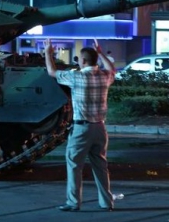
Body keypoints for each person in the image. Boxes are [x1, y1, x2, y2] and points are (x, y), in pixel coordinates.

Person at [44, 38, 115, 212]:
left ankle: (73, 202)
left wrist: (48, 52)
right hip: (100, 128)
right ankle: (106, 203)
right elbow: (112, 69)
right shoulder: (105, 77)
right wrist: (101, 53)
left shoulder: (76, 77)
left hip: (82, 129)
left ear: (83, 61)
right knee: (101, 166)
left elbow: (52, 72)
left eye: (79, 59)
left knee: (75, 165)